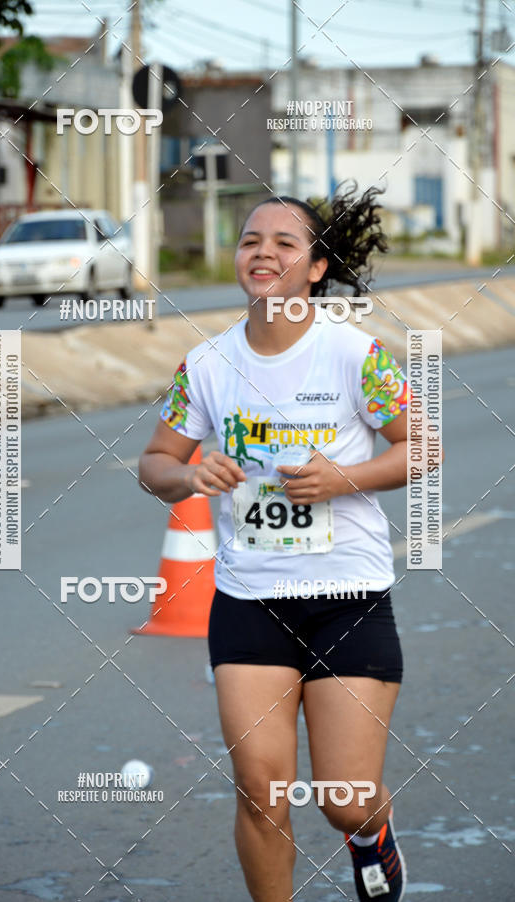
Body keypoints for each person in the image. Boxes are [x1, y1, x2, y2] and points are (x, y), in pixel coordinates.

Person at [139, 184, 415, 902]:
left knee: (343, 798)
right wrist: (190, 473)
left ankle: (370, 834)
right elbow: (153, 463)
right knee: (261, 793)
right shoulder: (205, 365)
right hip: (250, 602)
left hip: (347, 599)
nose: (263, 252)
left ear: (316, 267)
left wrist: (341, 478)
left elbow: (421, 448)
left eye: (284, 243)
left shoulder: (359, 356)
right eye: (250, 241)